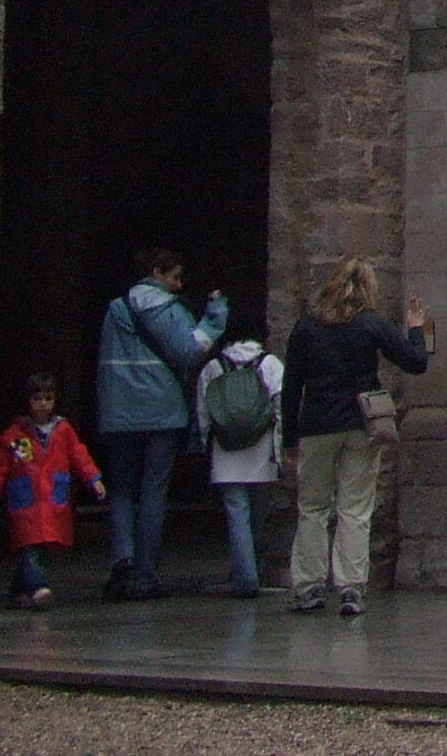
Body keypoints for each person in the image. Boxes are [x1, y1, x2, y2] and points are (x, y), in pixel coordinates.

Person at [282, 255, 430, 619]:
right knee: (355, 508)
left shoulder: (306, 328)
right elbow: (415, 362)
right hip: (361, 424)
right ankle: (350, 587)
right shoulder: (371, 325)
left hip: (316, 423)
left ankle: (308, 586)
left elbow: (290, 387)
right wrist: (416, 328)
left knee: (313, 507)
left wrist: (289, 439)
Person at [94, 246, 226, 600]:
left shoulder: (116, 309)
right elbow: (189, 351)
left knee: (121, 490)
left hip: (120, 411)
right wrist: (215, 318)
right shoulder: (167, 310)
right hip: (161, 411)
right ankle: (146, 572)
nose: (179, 286)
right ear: (157, 273)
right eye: (175, 277)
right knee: (153, 490)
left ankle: (122, 562)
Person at [0, 372, 104, 607]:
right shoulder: (16, 435)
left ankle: (21, 587)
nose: (43, 404)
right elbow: (1, 465)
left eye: (48, 398)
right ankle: (39, 586)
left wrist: (93, 478)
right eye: (37, 398)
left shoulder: (63, 430)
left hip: (51, 499)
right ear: (28, 401)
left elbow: (79, 455)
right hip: (26, 501)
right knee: (29, 545)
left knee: (41, 546)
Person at [197, 324, 285, 599]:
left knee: (237, 514)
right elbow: (281, 407)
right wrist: (280, 449)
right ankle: (252, 569)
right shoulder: (270, 363)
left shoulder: (213, 366)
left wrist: (205, 446)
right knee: (258, 514)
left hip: (226, 451)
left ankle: (245, 579)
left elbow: (204, 412)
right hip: (261, 449)